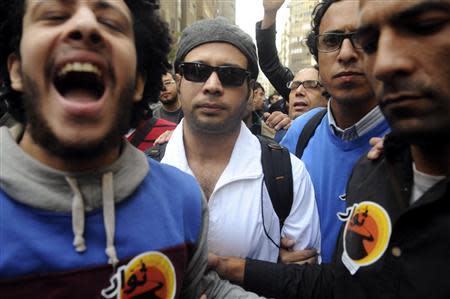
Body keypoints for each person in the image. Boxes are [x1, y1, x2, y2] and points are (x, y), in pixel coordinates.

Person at [0, 1, 261, 298]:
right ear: (17, 70)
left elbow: (202, 287)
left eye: (110, 23)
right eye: (55, 15)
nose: (85, 27)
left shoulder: (182, 199)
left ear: (139, 81)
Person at [209, 0, 450, 298]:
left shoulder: (401, 150)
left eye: (424, 26)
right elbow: (346, 281)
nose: (349, 54)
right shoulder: (359, 162)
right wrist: (270, 262)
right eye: (332, 41)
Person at [162, 17, 321, 264]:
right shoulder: (147, 170)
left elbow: (302, 279)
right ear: (179, 79)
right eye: (197, 71)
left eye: (231, 75)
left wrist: (279, 278)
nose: (212, 86)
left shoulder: (289, 174)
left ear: (249, 88)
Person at [279, 0, 390, 263]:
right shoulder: (300, 133)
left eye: (363, 37)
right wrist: (273, 252)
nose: (346, 53)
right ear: (317, 59)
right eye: (331, 41)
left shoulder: (418, 142)